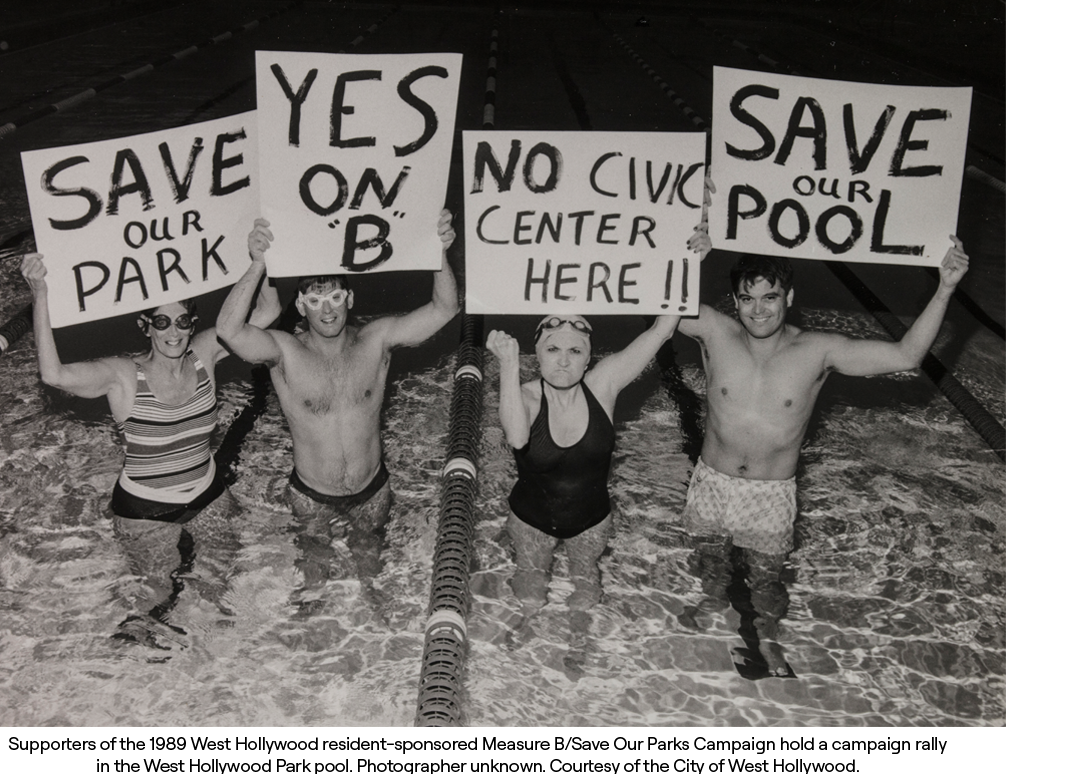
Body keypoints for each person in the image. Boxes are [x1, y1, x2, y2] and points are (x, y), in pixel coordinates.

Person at [674, 236, 970, 676]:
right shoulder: (714, 330)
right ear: (734, 301)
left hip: (770, 496)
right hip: (711, 483)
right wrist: (685, 256)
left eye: (770, 297)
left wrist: (945, 288)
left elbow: (906, 355)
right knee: (709, 557)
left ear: (789, 298)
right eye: (748, 299)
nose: (759, 310)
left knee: (768, 579)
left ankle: (769, 636)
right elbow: (654, 296)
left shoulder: (818, 350)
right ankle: (712, 596)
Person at [19, 219, 280, 648]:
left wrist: (260, 262)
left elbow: (267, 312)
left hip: (209, 492)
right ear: (146, 326)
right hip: (145, 512)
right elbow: (53, 374)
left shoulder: (205, 351)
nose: (174, 332)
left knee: (225, 587)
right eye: (162, 322)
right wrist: (41, 295)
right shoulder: (123, 376)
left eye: (182, 320)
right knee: (157, 598)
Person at [215, 209, 459, 611]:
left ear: (350, 298)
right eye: (314, 299)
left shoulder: (376, 341)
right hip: (311, 495)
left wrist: (441, 252)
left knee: (371, 564)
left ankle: (372, 601)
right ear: (301, 304)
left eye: (334, 297)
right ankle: (312, 615)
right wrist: (258, 264)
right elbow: (228, 330)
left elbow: (444, 309)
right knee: (314, 574)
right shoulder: (285, 352)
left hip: (372, 490)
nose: (326, 310)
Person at [486, 228, 714, 612]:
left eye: (575, 351)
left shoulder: (603, 385)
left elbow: (661, 330)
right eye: (553, 349)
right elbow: (517, 436)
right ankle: (525, 635)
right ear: (536, 354)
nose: (563, 360)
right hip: (530, 523)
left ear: (588, 357)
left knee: (586, 587)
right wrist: (508, 364)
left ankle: (578, 643)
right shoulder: (523, 394)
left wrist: (693, 261)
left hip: (592, 524)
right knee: (529, 592)